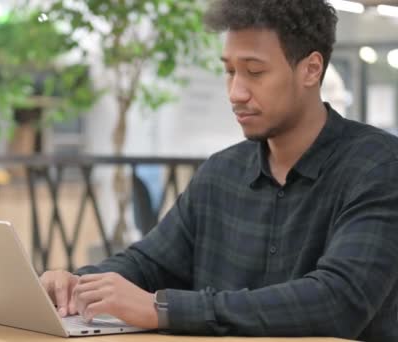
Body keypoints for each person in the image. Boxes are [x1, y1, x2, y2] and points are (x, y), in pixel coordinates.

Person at [39, 1, 398, 340]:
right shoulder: (221, 173)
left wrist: (163, 308)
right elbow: (148, 263)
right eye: (229, 71)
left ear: (311, 69)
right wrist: (76, 284)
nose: (236, 92)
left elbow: (338, 302)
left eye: (255, 72)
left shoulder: (377, 166)